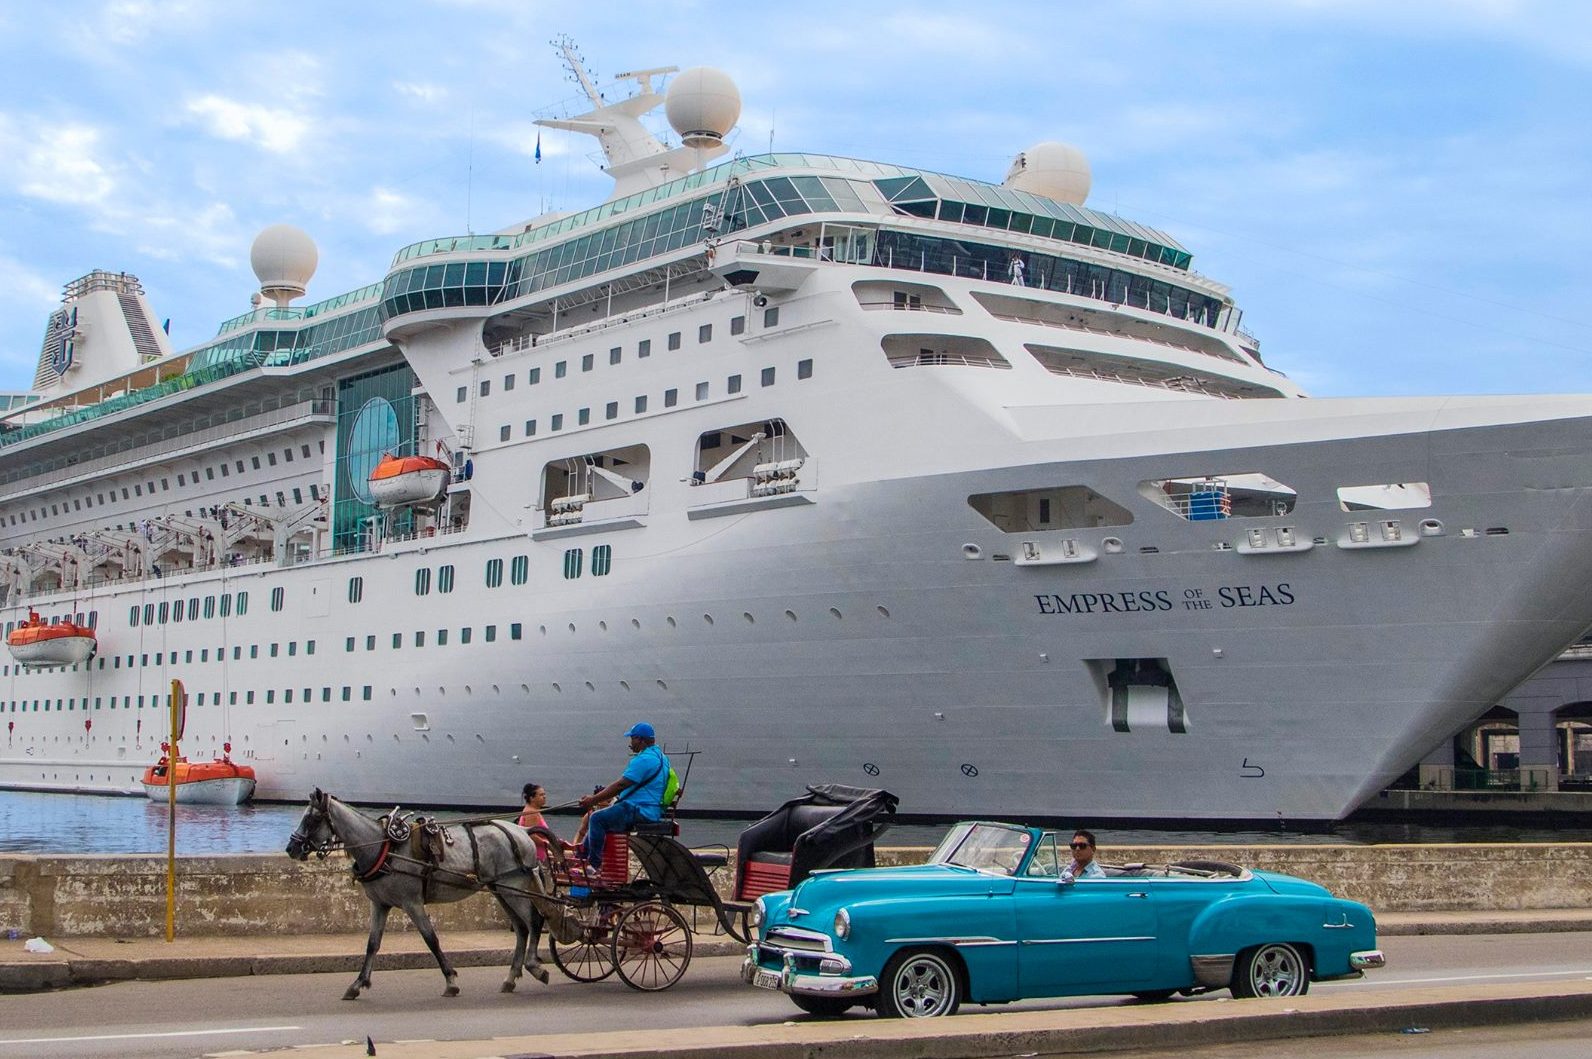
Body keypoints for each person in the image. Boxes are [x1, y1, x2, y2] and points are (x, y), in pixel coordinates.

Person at [578, 722, 670, 873]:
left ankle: (593, 865)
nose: (630, 743)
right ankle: (581, 855)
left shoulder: (644, 759)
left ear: (640, 739)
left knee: (596, 818)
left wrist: (592, 800)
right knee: (603, 818)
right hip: (651, 810)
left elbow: (621, 785)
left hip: (638, 809)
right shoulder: (661, 757)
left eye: (632, 739)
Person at [517, 782, 563, 866]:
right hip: (537, 855)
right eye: (541, 795)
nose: (544, 797)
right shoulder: (531, 813)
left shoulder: (534, 811)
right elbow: (531, 835)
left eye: (544, 794)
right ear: (532, 798)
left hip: (540, 851)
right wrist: (550, 845)